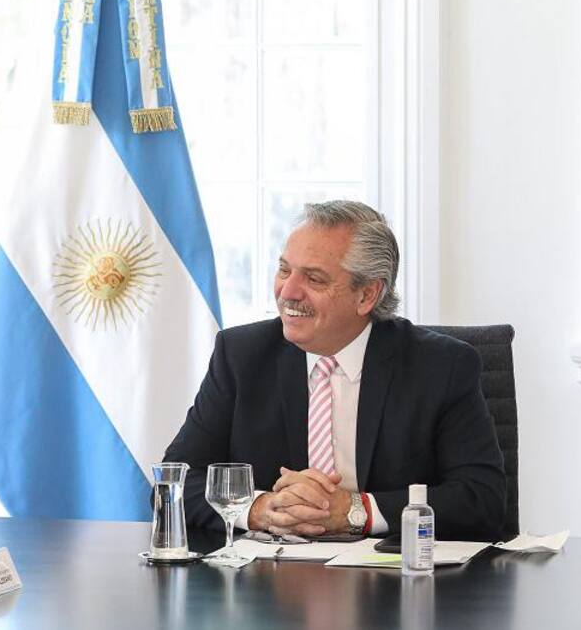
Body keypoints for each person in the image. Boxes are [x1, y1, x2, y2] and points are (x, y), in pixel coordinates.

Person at [162, 200, 506, 542]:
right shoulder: (241, 355)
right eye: (284, 270)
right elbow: (174, 482)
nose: (288, 292)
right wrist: (260, 508)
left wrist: (356, 511)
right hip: (270, 571)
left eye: (314, 279)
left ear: (367, 295)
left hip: (389, 571)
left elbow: (482, 499)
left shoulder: (441, 366)